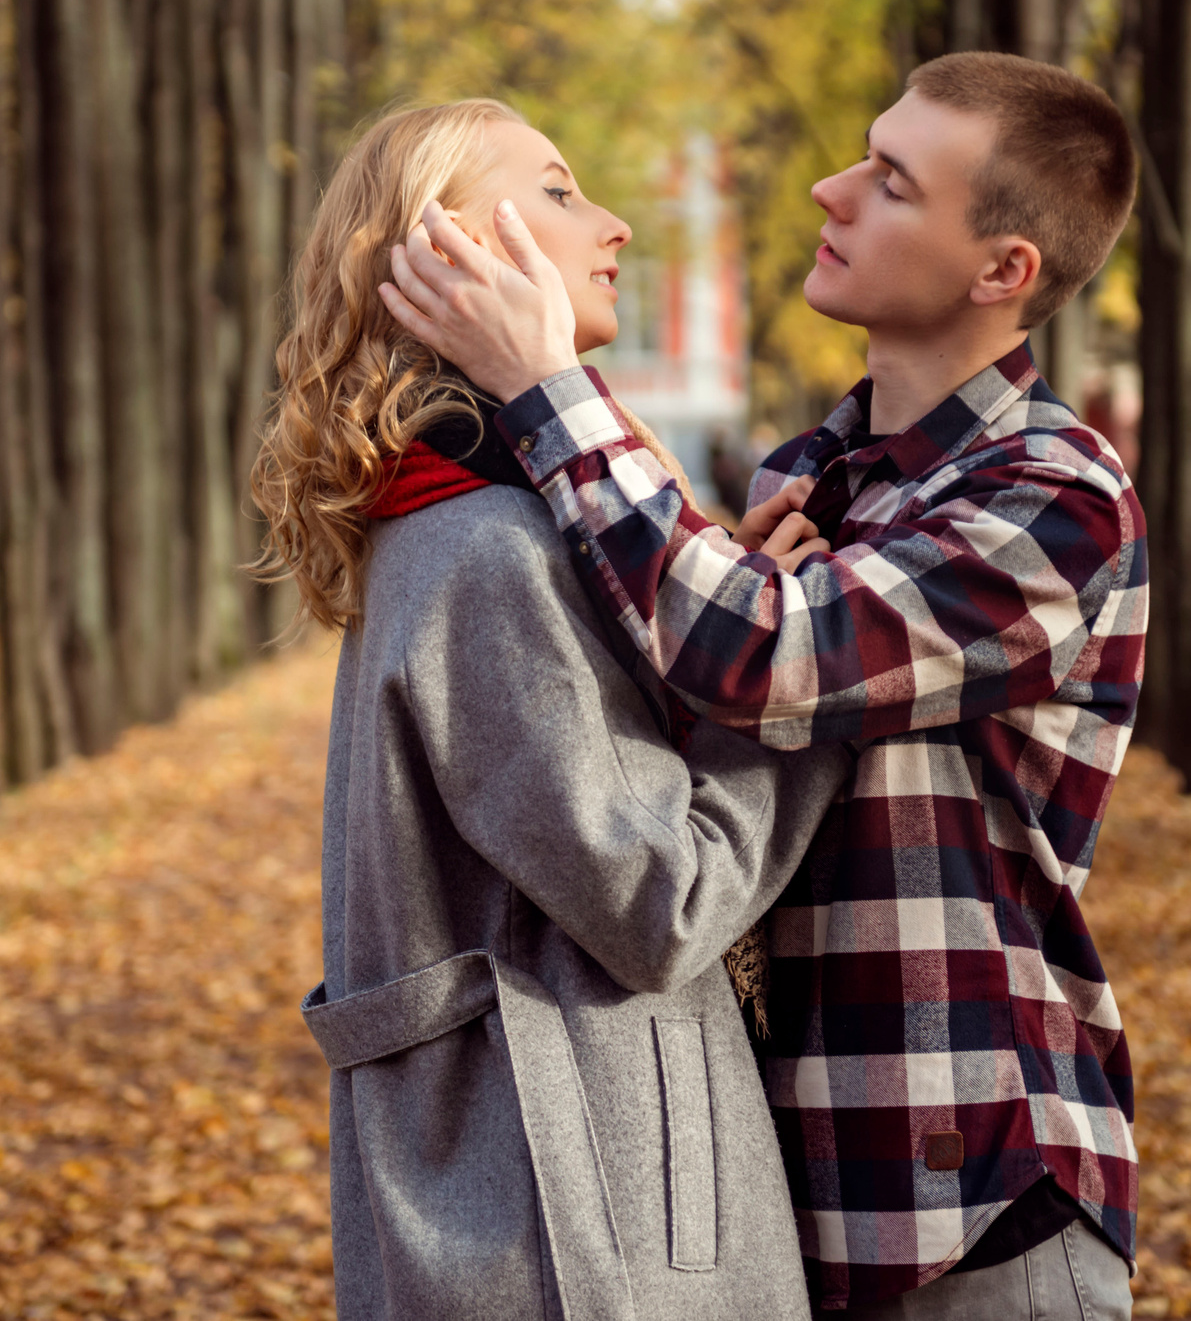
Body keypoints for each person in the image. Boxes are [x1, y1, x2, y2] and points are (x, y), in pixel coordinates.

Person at [381, 53, 1148, 1320]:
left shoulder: (1052, 494)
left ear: (1001, 269)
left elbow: (760, 659)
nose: (829, 187)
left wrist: (547, 391)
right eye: (862, 152)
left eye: (891, 182)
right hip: (780, 1208)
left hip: (969, 1201)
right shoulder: (818, 478)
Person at [258, 98, 851, 1321]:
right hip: (582, 1226)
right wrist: (788, 691)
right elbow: (660, 899)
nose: (616, 225)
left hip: (549, 1186)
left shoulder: (445, 517)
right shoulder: (486, 548)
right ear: (450, 251)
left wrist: (700, 625)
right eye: (563, 191)